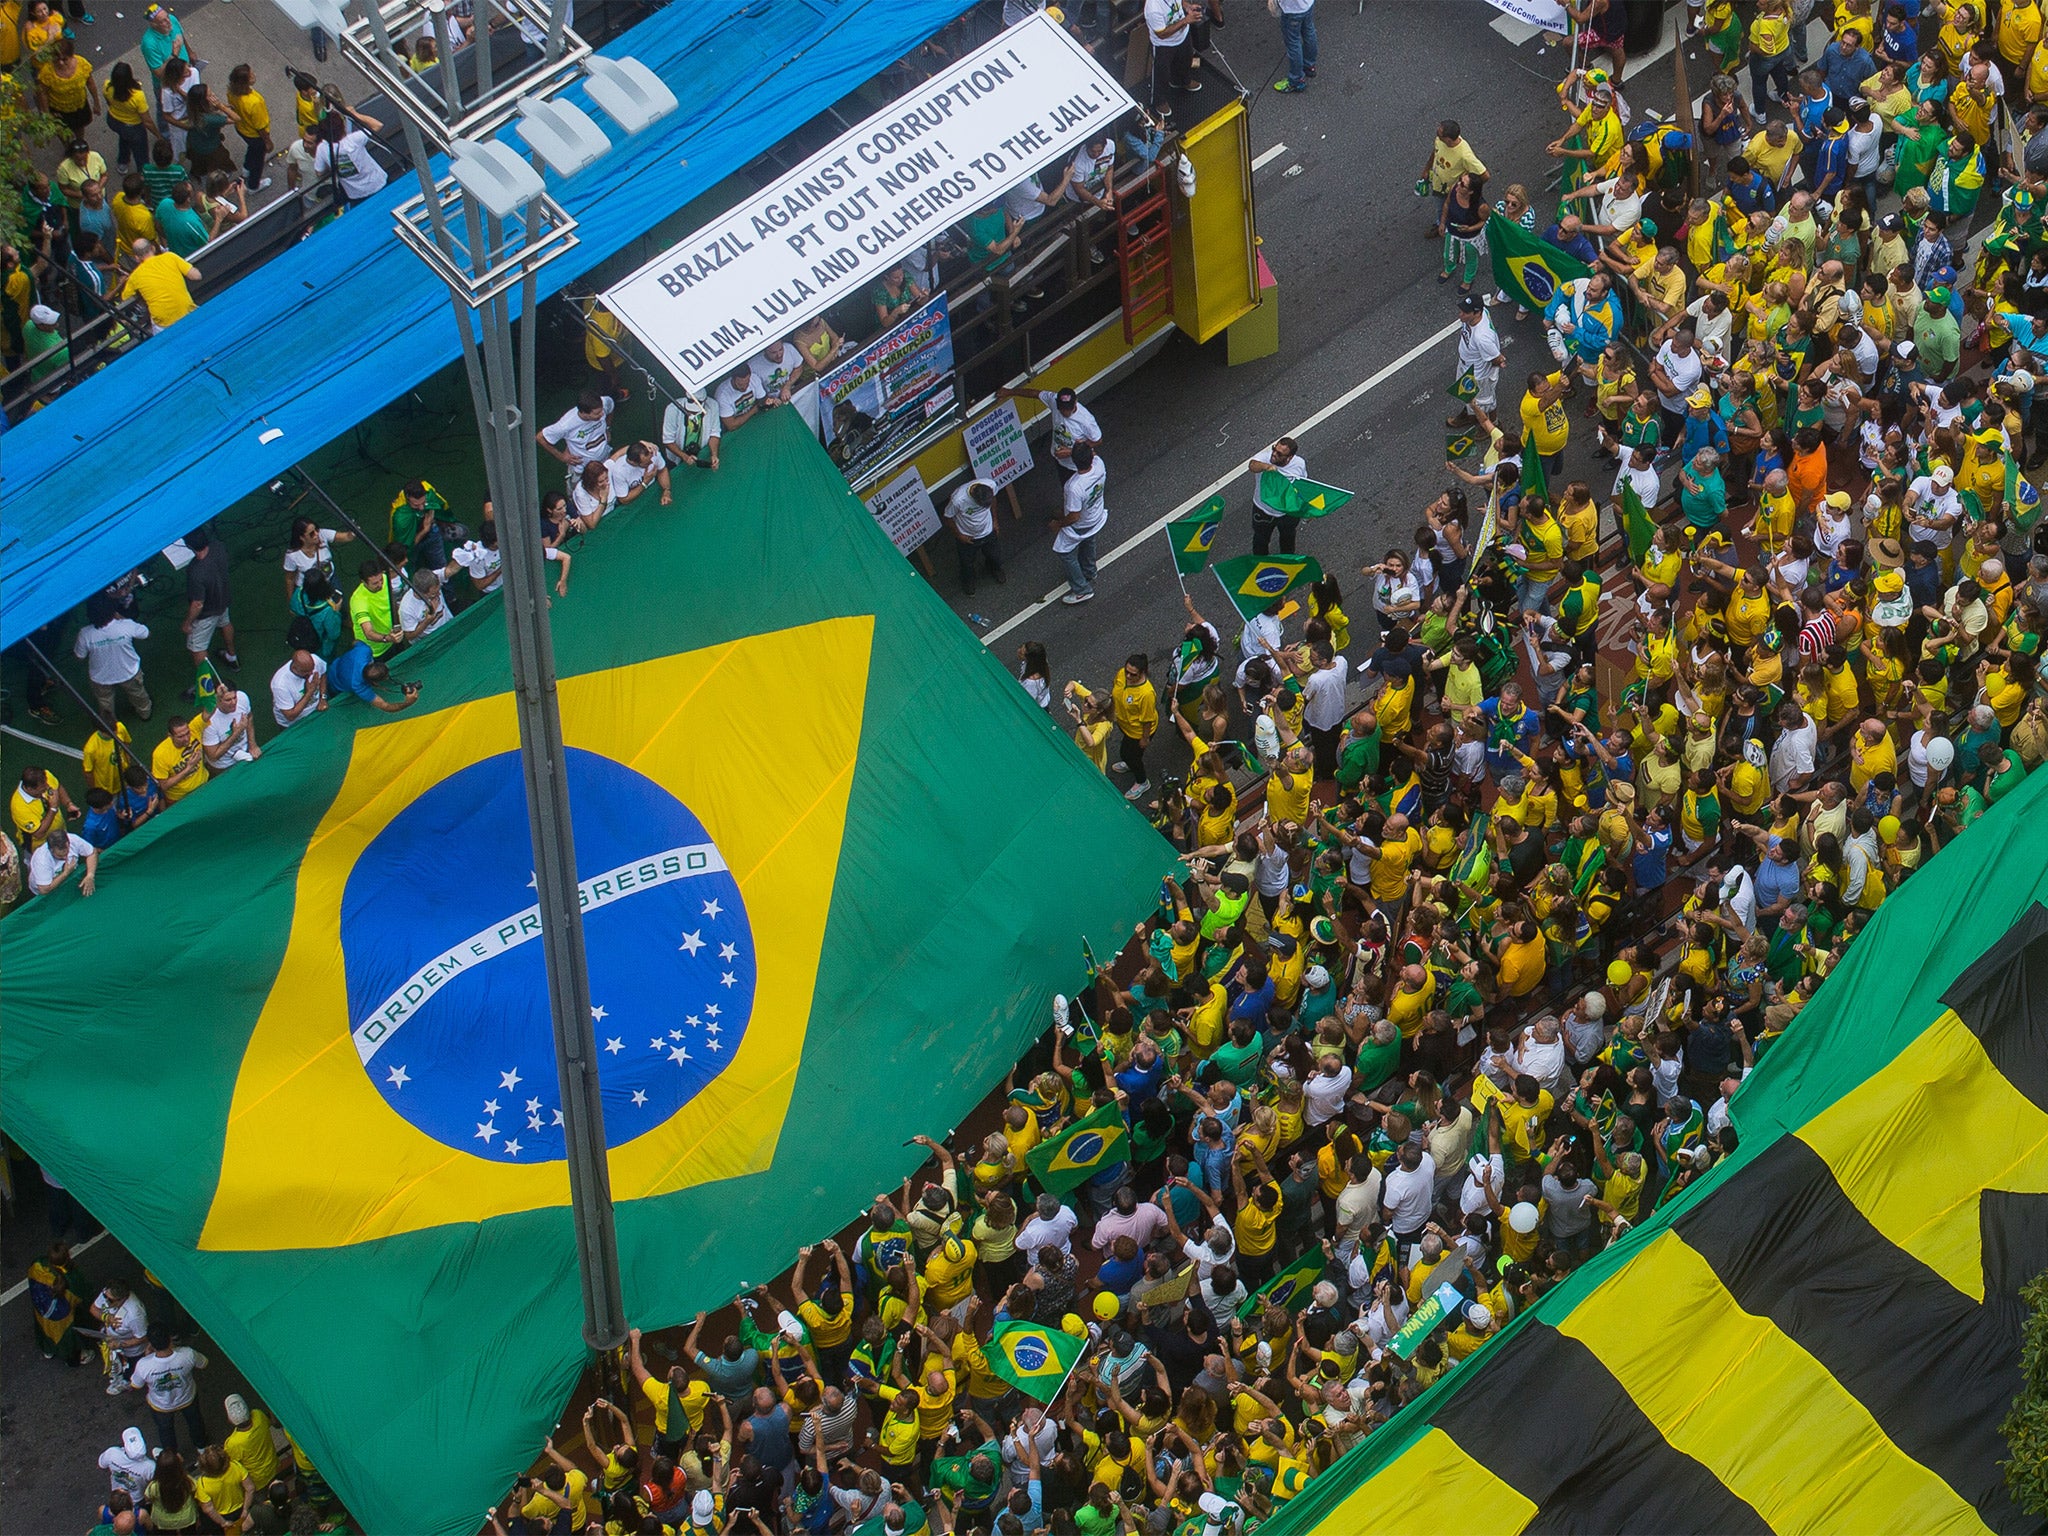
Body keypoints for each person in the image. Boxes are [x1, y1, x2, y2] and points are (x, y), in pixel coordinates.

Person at [1050, 440, 1108, 605]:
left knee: (1065, 553)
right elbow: (1094, 454)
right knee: (1089, 541)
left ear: (1074, 461)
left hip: (1081, 524)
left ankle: (1082, 590)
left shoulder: (1074, 486)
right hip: (1096, 517)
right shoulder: (1099, 465)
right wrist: (1080, 447)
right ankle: (1089, 571)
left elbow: (1074, 516)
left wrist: (1058, 523)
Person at [943, 477, 1005, 594]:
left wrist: (995, 520)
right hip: (967, 536)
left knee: (995, 555)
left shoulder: (990, 484)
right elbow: (948, 517)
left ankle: (994, 569)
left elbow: (994, 501)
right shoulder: (958, 500)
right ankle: (968, 581)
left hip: (988, 531)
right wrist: (959, 535)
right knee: (967, 563)